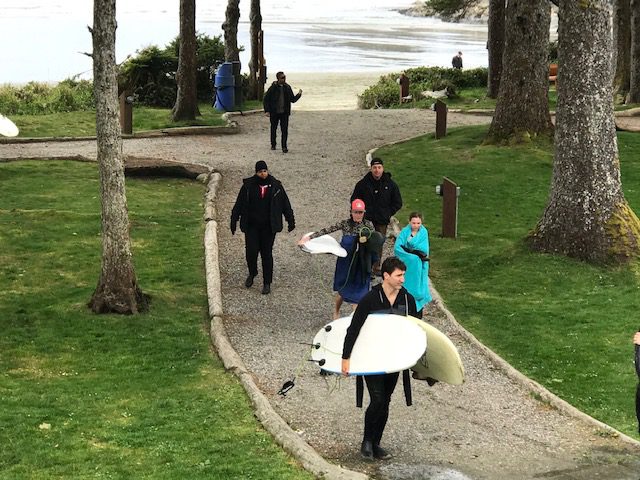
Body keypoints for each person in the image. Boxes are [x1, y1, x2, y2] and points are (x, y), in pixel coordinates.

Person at [341, 257, 418, 461]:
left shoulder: (407, 300)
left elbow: (417, 330)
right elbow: (354, 329)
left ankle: (376, 443)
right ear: (386, 276)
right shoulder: (370, 299)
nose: (403, 279)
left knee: (386, 400)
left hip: (394, 359)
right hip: (372, 357)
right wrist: (346, 358)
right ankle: (367, 441)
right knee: (378, 399)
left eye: (403, 275)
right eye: (399, 275)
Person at [298, 199, 383, 319]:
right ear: (351, 212)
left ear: (364, 212)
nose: (358, 215)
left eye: (360, 212)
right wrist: (309, 238)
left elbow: (374, 243)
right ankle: (336, 310)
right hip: (346, 263)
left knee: (359, 296)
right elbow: (327, 230)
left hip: (360, 264)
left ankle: (356, 321)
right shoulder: (345, 224)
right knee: (342, 291)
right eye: (356, 212)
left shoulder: (368, 225)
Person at [230, 160, 295, 294]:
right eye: (260, 172)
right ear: (256, 172)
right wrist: (234, 220)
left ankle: (267, 282)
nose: (263, 174)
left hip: (268, 226)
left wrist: (290, 220)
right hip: (252, 225)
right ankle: (252, 272)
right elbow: (239, 204)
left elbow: (285, 204)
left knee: (266, 254)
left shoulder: (276, 186)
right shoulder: (248, 186)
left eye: (265, 171)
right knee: (251, 252)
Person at [351, 157, 402, 276]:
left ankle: (376, 267)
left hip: (381, 220)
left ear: (383, 169)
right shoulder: (363, 184)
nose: (377, 170)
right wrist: (359, 214)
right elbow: (354, 199)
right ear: (371, 168)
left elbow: (398, 202)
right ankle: (364, 266)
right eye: (374, 167)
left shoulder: (390, 185)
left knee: (378, 242)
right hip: (366, 219)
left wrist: (388, 213)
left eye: (379, 167)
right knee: (364, 241)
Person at [393, 212, 431, 317]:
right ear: (409, 222)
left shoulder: (423, 233)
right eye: (413, 223)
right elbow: (398, 248)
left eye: (418, 223)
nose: (416, 225)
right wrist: (410, 257)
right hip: (406, 266)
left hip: (419, 267)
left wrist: (415, 256)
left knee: (419, 286)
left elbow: (424, 249)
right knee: (402, 290)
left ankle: (417, 316)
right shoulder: (405, 232)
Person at [263, 71, 302, 153]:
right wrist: (267, 110)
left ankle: (284, 146)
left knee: (284, 130)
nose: (284, 79)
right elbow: (266, 99)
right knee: (273, 129)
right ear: (278, 78)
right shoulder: (273, 87)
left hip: (284, 113)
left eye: (284, 77)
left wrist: (299, 94)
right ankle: (273, 144)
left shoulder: (287, 87)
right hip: (274, 112)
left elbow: (292, 99)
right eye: (282, 78)